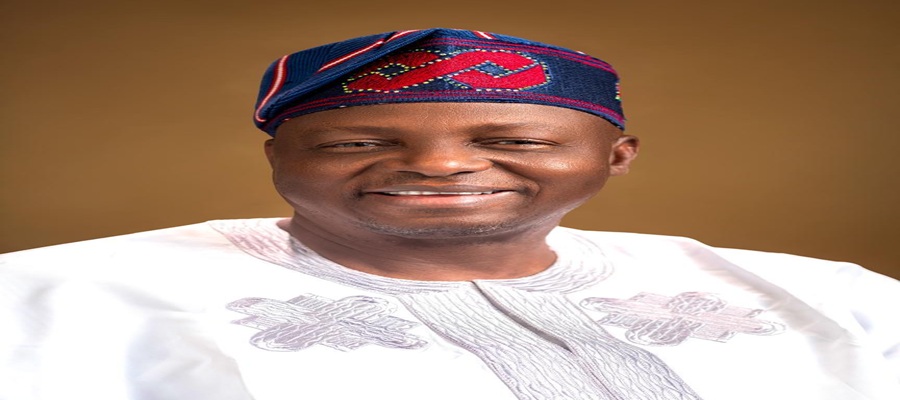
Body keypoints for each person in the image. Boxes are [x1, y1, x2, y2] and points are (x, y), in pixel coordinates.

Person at [1, 28, 897, 400]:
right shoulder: (48, 298)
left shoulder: (835, 297)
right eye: (358, 140)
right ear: (279, 156)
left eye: (516, 138)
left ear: (615, 157)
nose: (438, 164)